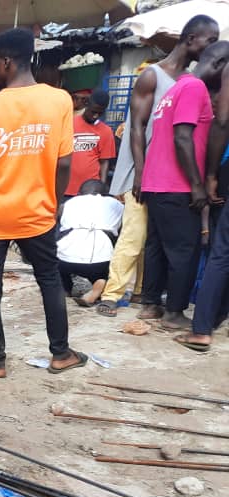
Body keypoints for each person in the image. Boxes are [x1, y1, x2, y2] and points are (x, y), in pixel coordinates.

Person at [0, 28, 86, 379]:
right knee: (48, 280)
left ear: (7, 61)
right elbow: (63, 163)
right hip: (38, 213)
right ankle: (60, 353)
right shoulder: (60, 101)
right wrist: (55, 203)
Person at [97, 14, 220, 317]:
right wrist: (139, 172)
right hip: (146, 171)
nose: (212, 47)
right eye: (211, 40)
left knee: (155, 241)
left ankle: (145, 297)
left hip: (166, 172)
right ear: (191, 39)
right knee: (135, 235)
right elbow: (137, 128)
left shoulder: (186, 82)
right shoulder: (153, 75)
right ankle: (112, 294)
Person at [138, 41, 229, 331]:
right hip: (176, 183)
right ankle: (174, 312)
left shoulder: (176, 87)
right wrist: (197, 184)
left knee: (157, 247)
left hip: (156, 181)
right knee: (184, 251)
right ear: (219, 65)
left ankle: (151, 304)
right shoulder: (195, 89)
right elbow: (182, 137)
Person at [56, 179, 124, 305]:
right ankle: (99, 281)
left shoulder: (68, 203)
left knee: (58, 258)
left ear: (79, 193)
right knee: (106, 256)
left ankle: (64, 288)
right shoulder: (116, 205)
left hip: (65, 260)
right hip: (99, 261)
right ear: (105, 194)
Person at [65, 90, 117, 198]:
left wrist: (101, 189)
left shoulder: (106, 131)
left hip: (90, 192)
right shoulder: (68, 124)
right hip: (66, 188)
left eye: (100, 113)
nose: (95, 116)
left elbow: (104, 162)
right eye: (93, 111)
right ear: (87, 103)